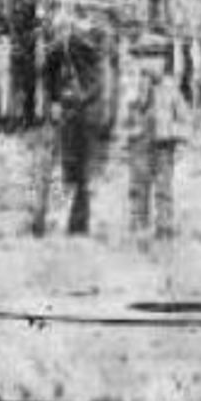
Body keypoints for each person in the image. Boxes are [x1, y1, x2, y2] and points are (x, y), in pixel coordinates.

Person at [38, 13, 115, 236]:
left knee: (79, 170)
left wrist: (59, 98)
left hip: (83, 112)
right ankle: (65, 224)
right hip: (74, 111)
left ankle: (75, 225)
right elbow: (48, 68)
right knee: (72, 168)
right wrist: (55, 98)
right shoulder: (68, 42)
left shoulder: (89, 44)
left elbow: (99, 82)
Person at [121, 32, 194, 240]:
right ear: (139, 60)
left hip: (163, 144)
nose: (152, 63)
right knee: (138, 187)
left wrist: (176, 136)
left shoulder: (171, 87)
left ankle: (165, 229)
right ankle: (138, 229)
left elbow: (185, 118)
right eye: (146, 57)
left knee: (164, 189)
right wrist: (134, 99)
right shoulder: (131, 86)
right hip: (139, 143)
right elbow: (123, 116)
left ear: (164, 61)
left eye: (157, 57)